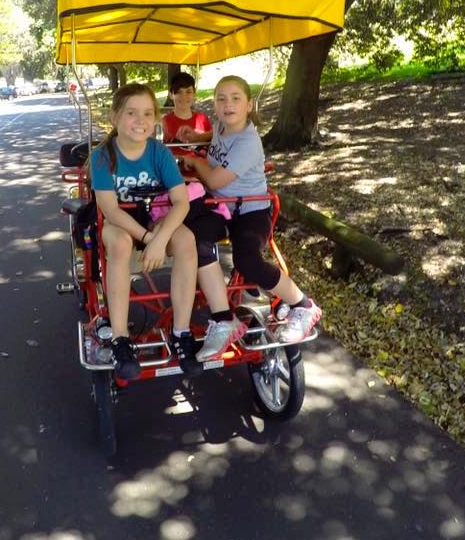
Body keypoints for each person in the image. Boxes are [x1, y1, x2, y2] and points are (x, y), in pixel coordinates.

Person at [184, 75, 322, 362]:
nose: (227, 104)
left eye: (235, 98)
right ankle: (224, 320)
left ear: (249, 105)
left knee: (247, 261)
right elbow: (217, 138)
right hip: (221, 206)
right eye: (221, 99)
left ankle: (303, 304)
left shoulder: (249, 142)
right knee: (194, 240)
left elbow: (214, 176)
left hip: (251, 209)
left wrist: (195, 160)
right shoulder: (223, 125)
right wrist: (199, 139)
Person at [90, 83, 201, 380]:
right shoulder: (103, 156)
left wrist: (160, 238)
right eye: (131, 113)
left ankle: (181, 331)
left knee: (187, 239)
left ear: (155, 119)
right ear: (115, 117)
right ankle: (120, 337)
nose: (140, 120)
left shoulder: (159, 152)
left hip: (156, 219)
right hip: (120, 224)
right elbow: (110, 210)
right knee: (120, 244)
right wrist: (149, 239)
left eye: (147, 113)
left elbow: (181, 201)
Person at [162, 72, 212, 145]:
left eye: (188, 92)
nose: (183, 97)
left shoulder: (203, 119)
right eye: (178, 92)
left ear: (194, 94)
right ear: (170, 95)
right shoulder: (164, 123)